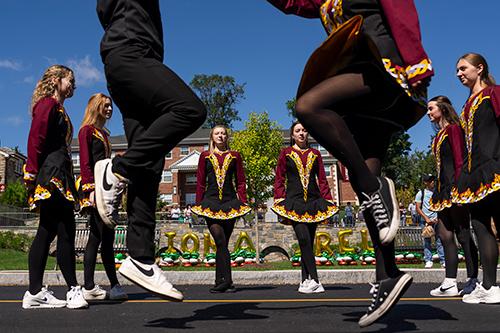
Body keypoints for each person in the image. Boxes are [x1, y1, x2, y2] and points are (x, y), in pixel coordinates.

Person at [266, 0, 433, 326]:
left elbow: (400, 9)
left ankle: (374, 187)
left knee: (308, 106)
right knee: (364, 175)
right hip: (361, 97)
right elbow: (294, 4)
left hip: (382, 71)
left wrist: (416, 61)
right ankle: (389, 275)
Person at [94, 0, 207, 301]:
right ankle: (118, 169)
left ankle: (141, 259)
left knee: (151, 162)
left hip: (125, 64)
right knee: (190, 110)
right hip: (132, 53)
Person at [22, 65, 88, 309]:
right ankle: (72, 290)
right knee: (64, 230)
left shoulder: (59, 108)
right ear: (57, 79)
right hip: (51, 175)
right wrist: (30, 171)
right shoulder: (47, 104)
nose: (72, 85)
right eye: (69, 80)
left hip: (60, 174)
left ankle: (35, 292)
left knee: (48, 231)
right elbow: (36, 138)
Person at [453, 53, 500, 304]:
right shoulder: (466, 105)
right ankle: (489, 286)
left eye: (463, 68)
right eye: (457, 70)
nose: (459, 74)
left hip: (496, 168)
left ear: (479, 68)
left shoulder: (494, 93)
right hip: (476, 174)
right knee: (481, 228)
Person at [272, 121, 337, 294]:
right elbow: (279, 178)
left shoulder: (315, 154)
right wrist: (279, 198)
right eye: (298, 131)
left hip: (314, 202)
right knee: (303, 239)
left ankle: (304, 281)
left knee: (308, 241)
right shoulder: (285, 153)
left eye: (304, 130)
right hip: (294, 203)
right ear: (292, 135)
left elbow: (322, 179)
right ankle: (315, 279)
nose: (301, 133)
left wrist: (328, 199)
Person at [426, 96, 479, 297]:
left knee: (463, 234)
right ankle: (449, 282)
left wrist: (461, 187)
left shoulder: (454, 129)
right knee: (444, 234)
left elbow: (459, 160)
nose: (428, 113)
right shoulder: (439, 135)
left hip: (455, 188)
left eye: (431, 109)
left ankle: (473, 279)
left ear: (443, 108)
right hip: (442, 190)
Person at [78, 93, 128, 301]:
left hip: (106, 190)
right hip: (93, 190)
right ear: (96, 106)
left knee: (106, 238)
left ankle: (112, 285)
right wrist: (90, 190)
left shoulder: (104, 134)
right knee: (97, 237)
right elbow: (85, 163)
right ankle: (90, 286)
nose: (109, 109)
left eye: (110, 106)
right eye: (106, 106)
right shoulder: (86, 132)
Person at [192, 125, 251, 293]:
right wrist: (197, 205)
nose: (220, 136)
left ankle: (221, 280)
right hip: (210, 204)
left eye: (223, 133)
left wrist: (244, 202)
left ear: (227, 137)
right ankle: (227, 281)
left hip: (230, 203)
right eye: (217, 133)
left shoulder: (235, 156)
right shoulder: (205, 156)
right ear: (212, 137)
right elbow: (201, 182)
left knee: (223, 243)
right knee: (219, 240)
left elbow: (240, 181)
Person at [415, 174, 445, 269]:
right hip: (425, 221)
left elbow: (441, 205)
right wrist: (426, 218)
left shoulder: (437, 192)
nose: (433, 182)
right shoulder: (421, 193)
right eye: (430, 180)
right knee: (427, 240)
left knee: (439, 241)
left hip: (436, 220)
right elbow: (418, 208)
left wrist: (438, 216)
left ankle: (443, 260)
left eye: (433, 180)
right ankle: (428, 260)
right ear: (425, 182)